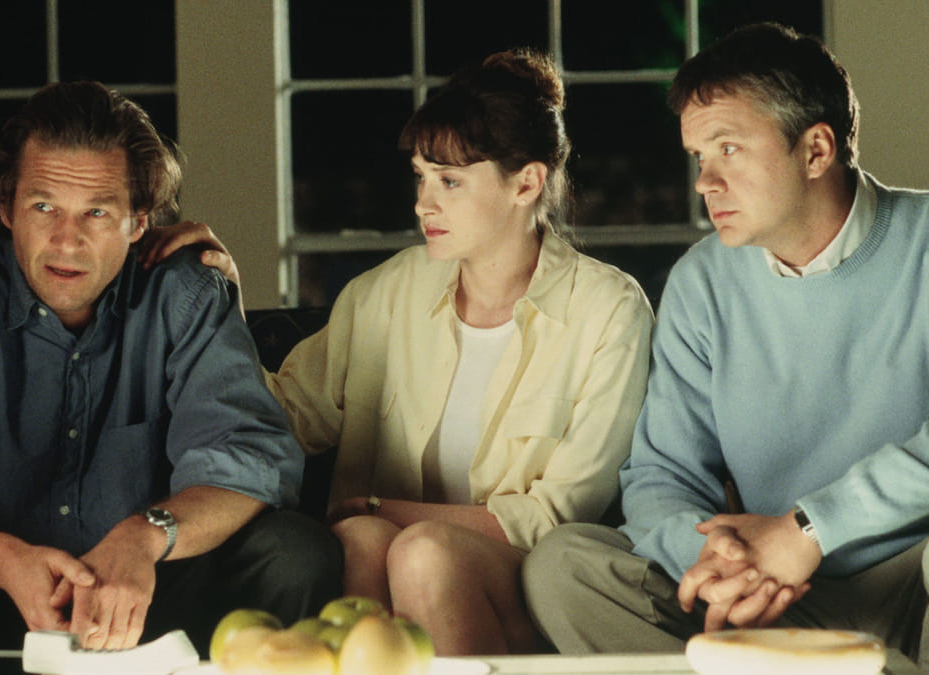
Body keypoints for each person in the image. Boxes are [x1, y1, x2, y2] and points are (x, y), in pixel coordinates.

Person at [522, 23, 929, 674]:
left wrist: (811, 527)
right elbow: (662, 476)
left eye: (728, 149)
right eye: (698, 156)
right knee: (563, 566)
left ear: (816, 149)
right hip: (770, 598)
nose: (705, 181)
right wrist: (719, 562)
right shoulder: (701, 283)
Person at [144, 49, 654, 655]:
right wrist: (217, 306)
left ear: (526, 183)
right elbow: (281, 415)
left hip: (529, 591)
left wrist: (384, 508)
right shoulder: (385, 293)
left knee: (421, 549)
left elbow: (554, 516)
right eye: (421, 176)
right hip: (384, 559)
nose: (423, 203)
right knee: (364, 538)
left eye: (450, 182)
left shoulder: (609, 310)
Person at [0, 81, 341, 675]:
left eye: (96, 212)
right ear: (7, 210)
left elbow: (249, 456)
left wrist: (144, 537)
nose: (66, 241)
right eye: (44, 207)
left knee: (295, 552)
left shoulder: (185, 293)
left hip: (152, 592)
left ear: (138, 220)